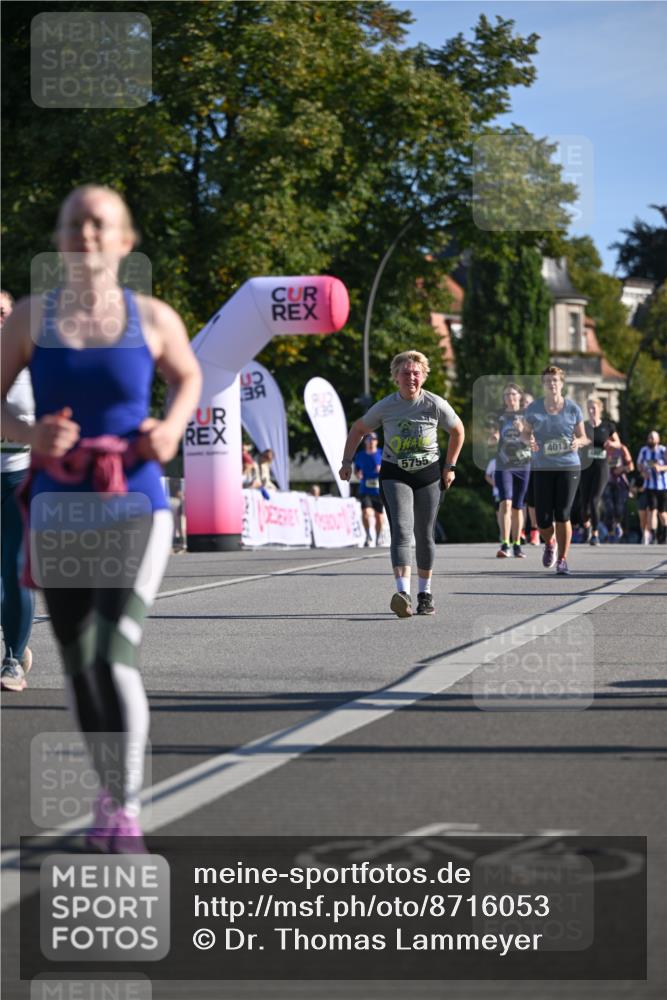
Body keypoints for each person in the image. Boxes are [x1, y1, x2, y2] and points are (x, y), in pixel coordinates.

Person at [0, 185, 202, 849]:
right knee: (80, 659)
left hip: (133, 498)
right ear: (59, 240)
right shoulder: (30, 317)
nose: (85, 234)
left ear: (124, 240)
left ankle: (123, 807)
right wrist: (31, 436)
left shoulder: (152, 316)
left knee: (114, 653)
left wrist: (171, 427)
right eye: (73, 224)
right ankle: (108, 786)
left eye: (99, 223)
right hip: (58, 503)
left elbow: (188, 379)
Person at [339, 351, 464, 617]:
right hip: (395, 472)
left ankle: (425, 593)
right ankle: (402, 593)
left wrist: (450, 466)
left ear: (423, 376)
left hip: (429, 474)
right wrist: (347, 461)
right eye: (405, 373)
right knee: (402, 529)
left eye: (416, 373)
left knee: (424, 534)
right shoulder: (386, 406)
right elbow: (359, 429)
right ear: (396, 377)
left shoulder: (435, 404)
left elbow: (457, 430)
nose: (411, 378)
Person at [521, 366, 589, 575]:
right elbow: (524, 433)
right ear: (543, 384)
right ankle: (550, 542)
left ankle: (562, 559)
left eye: (555, 381)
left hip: (568, 465)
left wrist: (578, 441)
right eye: (548, 381)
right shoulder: (533, 408)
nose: (552, 384)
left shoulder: (573, 409)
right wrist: (528, 440)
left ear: (562, 384)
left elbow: (585, 437)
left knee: (562, 513)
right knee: (542, 519)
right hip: (542, 466)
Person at [1, 290, 36, 691]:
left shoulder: (32, 363)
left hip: (20, 478)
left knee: (13, 571)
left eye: (1, 312)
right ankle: (16, 635)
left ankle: (12, 661)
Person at [493, 383, 531, 559]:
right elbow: (494, 435)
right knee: (505, 502)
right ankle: (505, 543)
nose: (510, 397)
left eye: (513, 394)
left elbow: (533, 440)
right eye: (507, 395)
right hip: (504, 464)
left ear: (519, 396)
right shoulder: (499, 416)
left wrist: (522, 430)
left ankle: (517, 544)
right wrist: (493, 437)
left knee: (518, 506)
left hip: (523, 464)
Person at [580, 397, 617, 546]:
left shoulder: (608, 426)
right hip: (585, 466)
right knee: (584, 504)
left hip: (601, 467)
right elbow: (575, 440)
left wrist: (611, 443)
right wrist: (583, 441)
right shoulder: (583, 426)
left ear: (600, 409)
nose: (591, 411)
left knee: (595, 500)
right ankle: (587, 526)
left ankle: (595, 534)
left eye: (594, 408)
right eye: (589, 408)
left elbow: (618, 443)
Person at [354, 432, 385, 547]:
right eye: (368, 439)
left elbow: (390, 470)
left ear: (376, 441)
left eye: (373, 439)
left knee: (379, 516)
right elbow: (356, 470)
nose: (371, 441)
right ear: (365, 442)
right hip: (365, 489)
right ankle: (368, 535)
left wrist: (382, 470)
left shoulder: (382, 453)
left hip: (379, 490)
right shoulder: (360, 455)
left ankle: (378, 537)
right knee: (366, 513)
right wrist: (358, 474)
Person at [636, 430, 667, 544]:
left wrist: (661, 468)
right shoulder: (644, 451)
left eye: (653, 438)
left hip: (662, 486)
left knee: (662, 512)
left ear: (658, 440)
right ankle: (653, 535)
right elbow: (639, 464)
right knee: (652, 510)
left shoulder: (663, 450)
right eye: (649, 437)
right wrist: (643, 471)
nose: (650, 440)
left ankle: (664, 533)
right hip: (650, 486)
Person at [604, 434, 634, 541]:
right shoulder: (603, 448)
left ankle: (618, 524)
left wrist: (622, 468)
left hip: (620, 483)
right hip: (607, 483)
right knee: (609, 509)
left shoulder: (622, 448)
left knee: (619, 509)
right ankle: (611, 533)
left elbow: (631, 467)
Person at [520, 391, 539, 545]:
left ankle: (534, 530)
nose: (525, 405)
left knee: (532, 499)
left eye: (528, 402)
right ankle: (519, 531)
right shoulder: (515, 419)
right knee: (521, 499)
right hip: (518, 462)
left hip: (535, 462)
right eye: (523, 402)